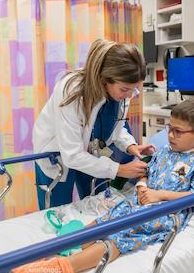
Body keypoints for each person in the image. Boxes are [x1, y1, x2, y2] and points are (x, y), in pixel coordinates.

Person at [17, 99, 194, 273]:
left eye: (177, 131)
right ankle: (57, 252)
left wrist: (159, 195)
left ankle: (65, 267)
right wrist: (142, 186)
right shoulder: (163, 152)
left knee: (121, 233)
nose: (170, 135)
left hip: (163, 214)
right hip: (137, 203)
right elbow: (145, 173)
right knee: (103, 221)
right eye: (169, 128)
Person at [33, 39, 155, 209]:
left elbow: (116, 128)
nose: (128, 95)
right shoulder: (73, 91)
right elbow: (72, 155)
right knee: (56, 213)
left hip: (91, 152)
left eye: (132, 89)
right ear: (105, 79)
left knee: (97, 204)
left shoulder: (119, 94)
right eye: (124, 89)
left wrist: (130, 145)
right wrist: (119, 170)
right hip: (57, 155)